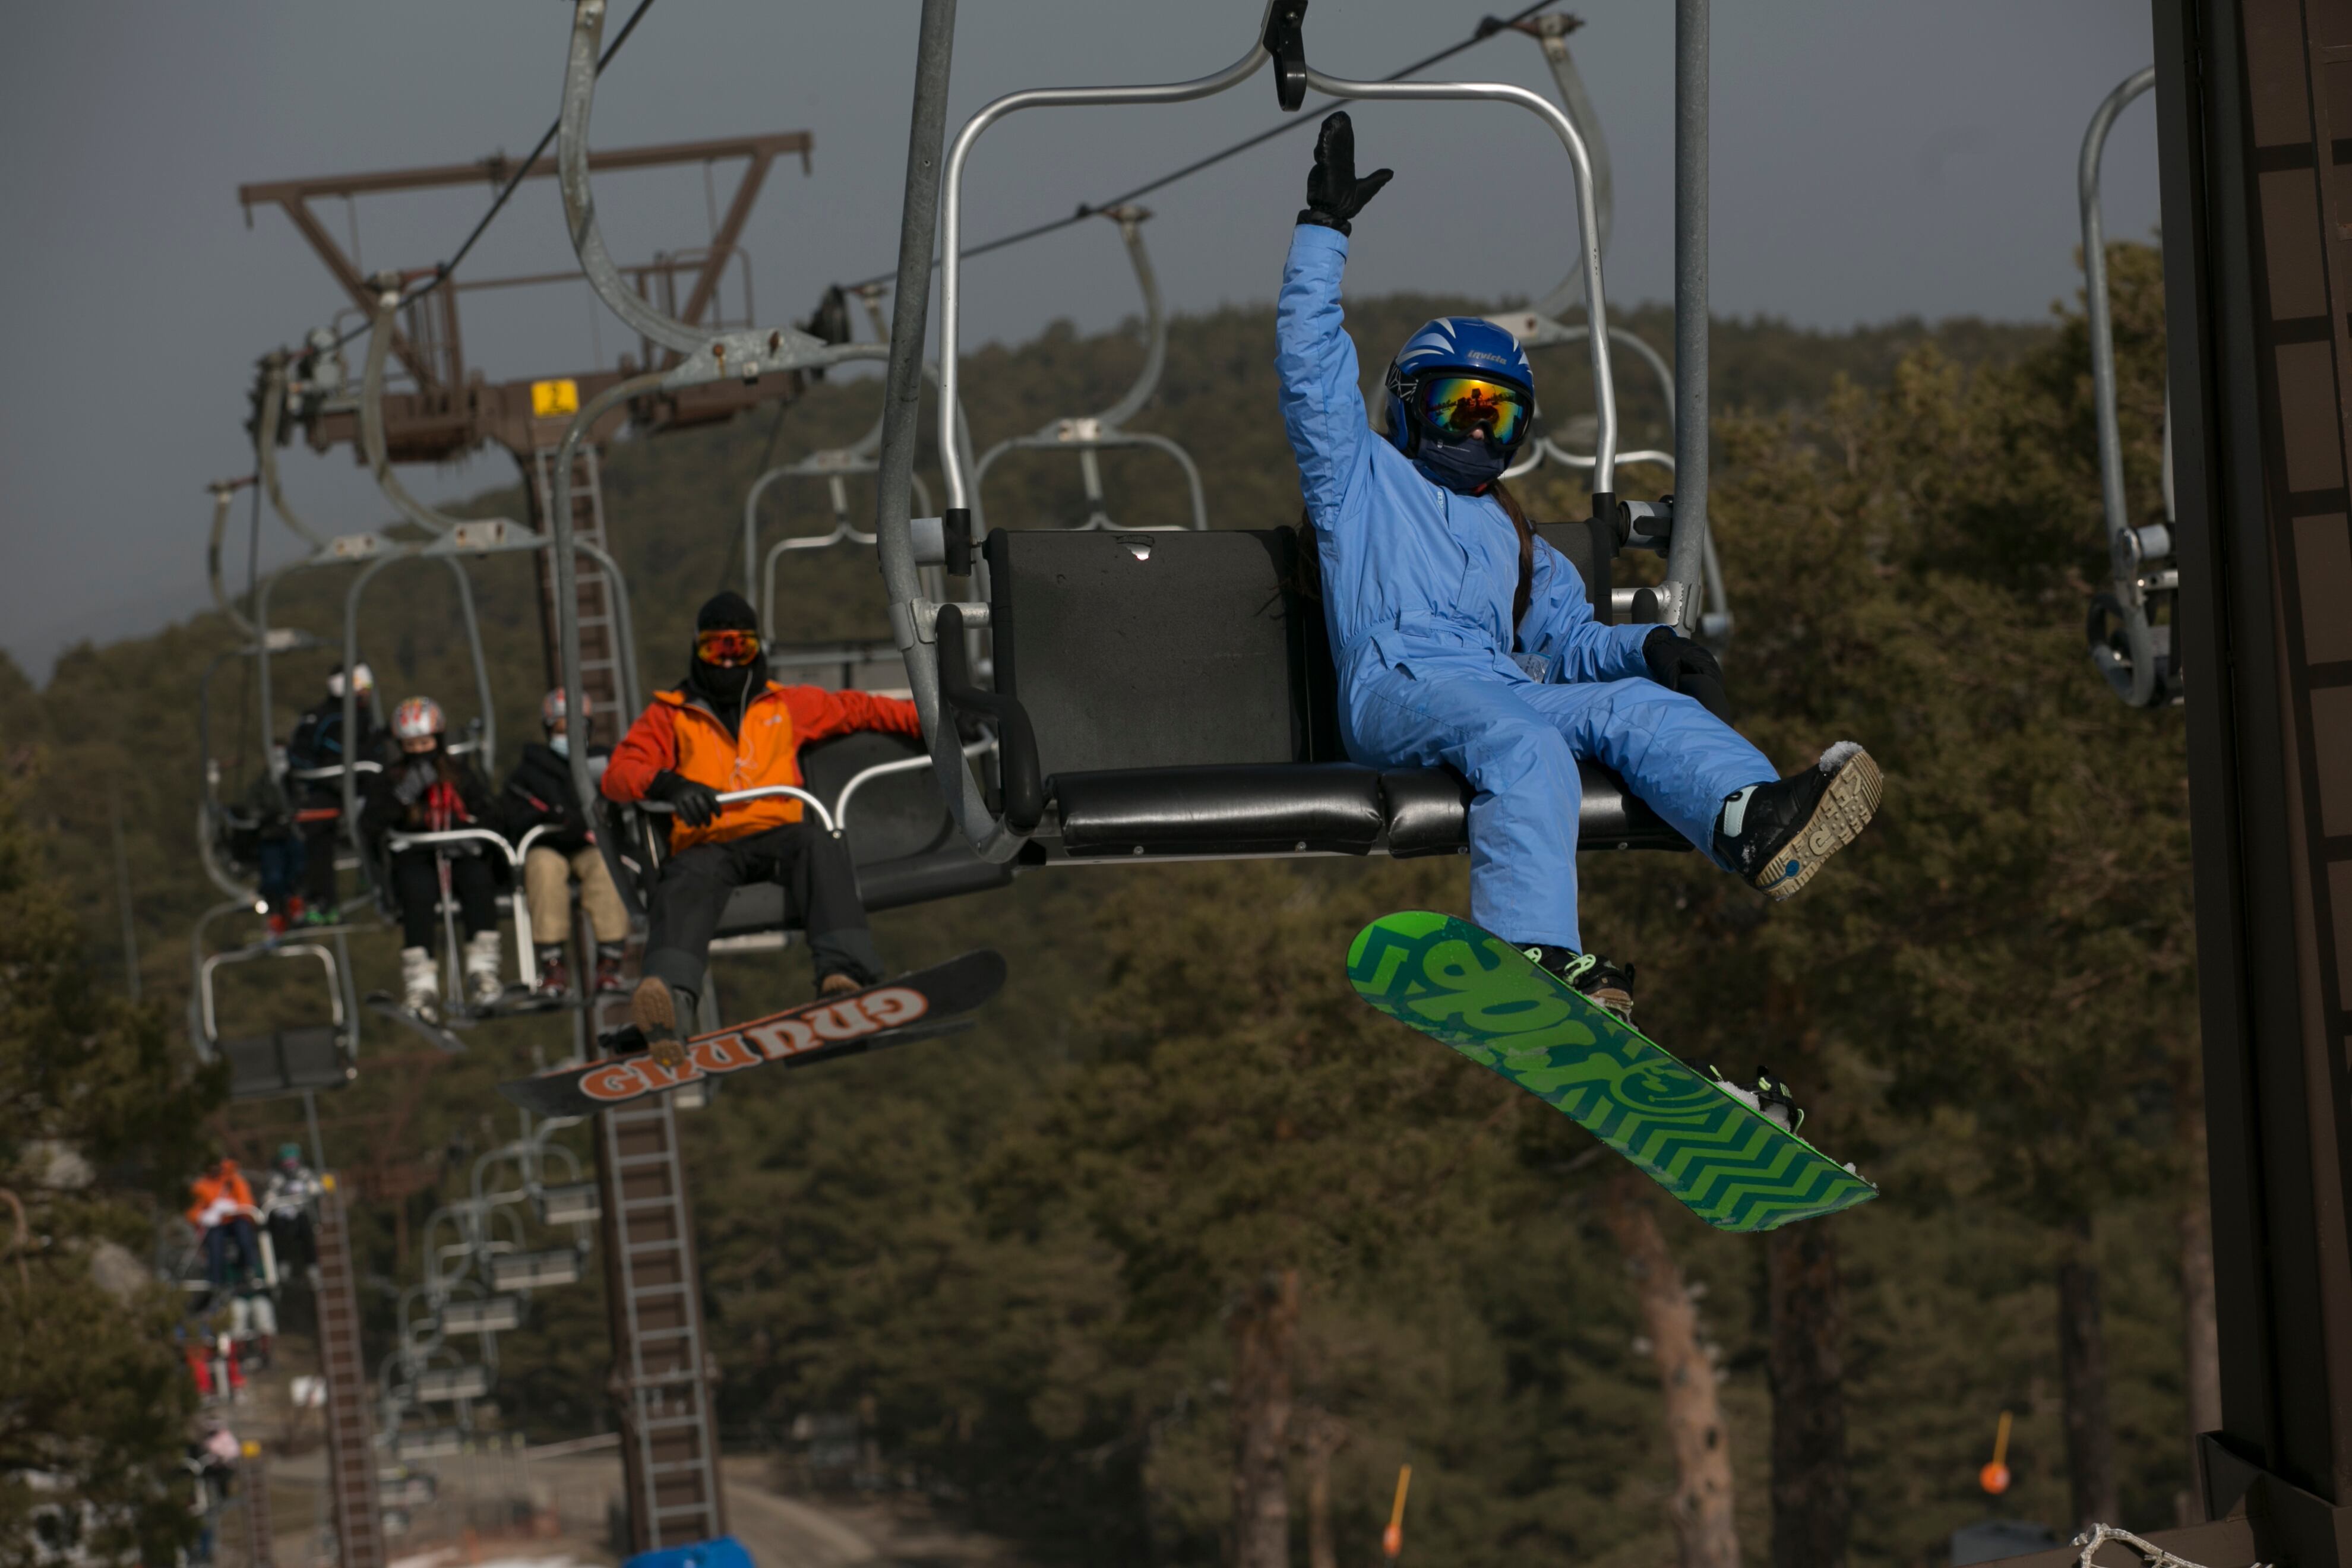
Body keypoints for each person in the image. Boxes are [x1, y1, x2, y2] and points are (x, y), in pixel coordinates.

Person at [1275, 114, 1879, 1054]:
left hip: (1498, 687)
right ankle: (1528, 953)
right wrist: (1323, 233)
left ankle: (1753, 821)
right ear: (1406, 406)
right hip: (1398, 686)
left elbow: (1568, 642)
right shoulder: (1359, 479)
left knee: (1634, 709)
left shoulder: (1514, 534)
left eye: (1497, 412)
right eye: (1456, 404)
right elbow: (1311, 372)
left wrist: (1650, 647)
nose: (1476, 431)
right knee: (1522, 742)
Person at [602, 591, 921, 1063]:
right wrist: (668, 784)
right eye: (717, 649)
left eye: (740, 649)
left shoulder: (787, 706)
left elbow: (862, 709)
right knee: (682, 881)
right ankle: (668, 1003)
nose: (729, 663)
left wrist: (937, 721)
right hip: (708, 841)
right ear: (698, 651)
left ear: (756, 651)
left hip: (778, 834)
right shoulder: (671, 715)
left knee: (820, 844)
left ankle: (842, 974)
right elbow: (619, 772)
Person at [361, 696, 504, 1020]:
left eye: (425, 743)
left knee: (478, 880)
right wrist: (403, 797)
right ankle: (421, 985)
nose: (419, 751)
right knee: (417, 891)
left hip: (459, 852)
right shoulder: (390, 781)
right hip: (415, 855)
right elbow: (370, 825)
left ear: (437, 740)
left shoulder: (459, 774)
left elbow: (489, 814)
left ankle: (483, 972)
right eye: (411, 746)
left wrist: (470, 834)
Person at [498, 688, 628, 998]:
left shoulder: (602, 762)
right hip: (550, 845)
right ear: (548, 728)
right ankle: (552, 964)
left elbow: (619, 806)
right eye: (561, 725)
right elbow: (512, 815)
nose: (569, 732)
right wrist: (554, 821)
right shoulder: (530, 771)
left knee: (605, 867)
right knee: (543, 869)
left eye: (576, 724)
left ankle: (610, 963)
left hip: (589, 846)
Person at [285, 662, 385, 925]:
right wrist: (330, 776)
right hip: (328, 790)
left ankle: (376, 876)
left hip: (364, 787)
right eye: (364, 689)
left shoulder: (366, 720)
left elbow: (377, 754)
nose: (367, 695)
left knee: (384, 810)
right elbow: (299, 755)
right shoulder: (322, 719)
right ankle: (322, 898)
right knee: (317, 826)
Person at [186, 1157, 260, 1294]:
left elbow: (248, 1202)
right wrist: (202, 1216)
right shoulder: (201, 1186)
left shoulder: (234, 1180)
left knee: (244, 1235)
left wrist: (234, 1207)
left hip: (237, 1219)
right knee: (214, 1243)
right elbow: (193, 1211)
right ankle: (216, 1281)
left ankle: (248, 1268)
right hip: (217, 1224)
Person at [260, 1143, 320, 1286]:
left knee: (307, 1235)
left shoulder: (304, 1174)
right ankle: (283, 1267)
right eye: (286, 1163)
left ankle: (313, 1269)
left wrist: (312, 1188)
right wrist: (272, 1195)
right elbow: (269, 1195)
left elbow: (316, 1188)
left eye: (293, 1162)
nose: (290, 1166)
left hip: (301, 1214)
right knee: (281, 1236)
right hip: (283, 1216)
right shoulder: (276, 1177)